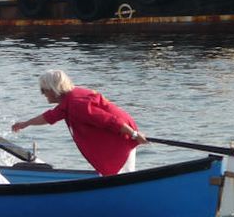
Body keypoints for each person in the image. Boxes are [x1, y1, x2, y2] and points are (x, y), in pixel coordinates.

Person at [11, 69, 148, 175]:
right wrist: (26, 123)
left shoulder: (77, 104)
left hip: (121, 136)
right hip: (121, 132)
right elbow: (49, 116)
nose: (42, 94)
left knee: (122, 177)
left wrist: (134, 135)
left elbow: (110, 121)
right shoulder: (68, 102)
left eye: (43, 90)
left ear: (54, 89)